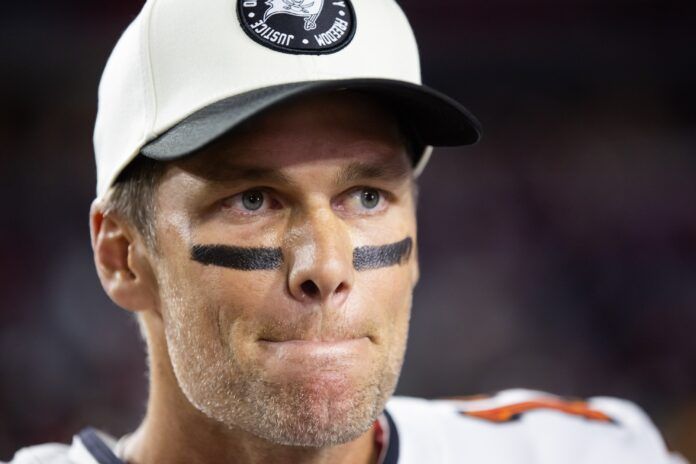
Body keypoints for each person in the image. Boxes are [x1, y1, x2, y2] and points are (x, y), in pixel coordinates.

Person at [7, 0, 686, 463]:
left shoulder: (585, 452)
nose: (325, 266)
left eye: (366, 195)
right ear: (122, 256)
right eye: (252, 199)